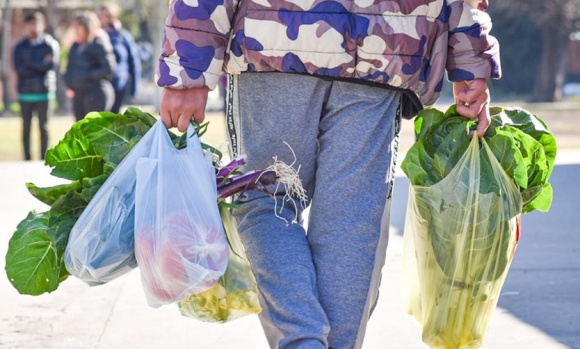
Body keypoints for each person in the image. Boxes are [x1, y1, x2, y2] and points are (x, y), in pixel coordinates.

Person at [157, 1, 500, 348]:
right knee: (352, 220)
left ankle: (302, 339)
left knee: (267, 199)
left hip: (274, 37)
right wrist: (470, 61)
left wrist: (186, 70)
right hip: (386, 43)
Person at [13, 12, 59, 161]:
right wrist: (39, 65)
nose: (33, 27)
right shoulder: (20, 47)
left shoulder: (50, 44)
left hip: (44, 93)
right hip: (25, 93)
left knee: (43, 127)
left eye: (36, 23)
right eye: (30, 24)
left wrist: (30, 65)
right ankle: (26, 159)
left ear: (43, 24)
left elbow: (51, 66)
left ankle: (42, 159)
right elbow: (19, 69)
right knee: (26, 127)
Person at [63, 11, 116, 122]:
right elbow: (70, 67)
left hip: (96, 93)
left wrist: (86, 75)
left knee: (94, 131)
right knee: (80, 130)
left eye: (79, 25)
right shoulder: (75, 46)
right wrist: (70, 82)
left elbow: (108, 68)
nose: (77, 29)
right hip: (79, 93)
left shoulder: (98, 42)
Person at [96, 2, 142, 113]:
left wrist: (134, 89)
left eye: (104, 15)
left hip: (118, 84)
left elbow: (134, 62)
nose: (101, 18)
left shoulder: (123, 36)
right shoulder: (96, 36)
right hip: (99, 86)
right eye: (99, 16)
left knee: (114, 117)